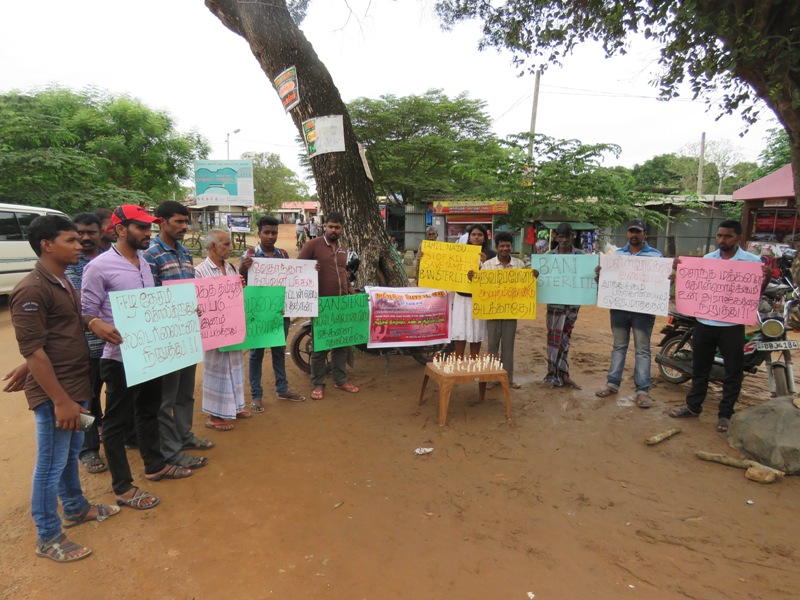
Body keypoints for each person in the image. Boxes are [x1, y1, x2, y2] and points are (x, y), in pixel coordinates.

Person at [9, 214, 120, 562]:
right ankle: (48, 536)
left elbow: (51, 336)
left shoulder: (62, 282)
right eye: (70, 240)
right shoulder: (31, 289)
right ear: (46, 245)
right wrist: (59, 401)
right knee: (51, 462)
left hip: (76, 385)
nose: (80, 244)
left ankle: (75, 507)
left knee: (71, 451)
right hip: (56, 396)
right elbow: (34, 348)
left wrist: (93, 322)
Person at [82, 205, 193, 511]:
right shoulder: (99, 267)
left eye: (150, 227)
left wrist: (184, 311)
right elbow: (85, 310)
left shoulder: (144, 262)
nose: (148, 233)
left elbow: (153, 305)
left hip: (149, 353)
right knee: (116, 423)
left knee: (148, 411)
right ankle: (122, 488)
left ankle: (155, 466)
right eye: (142, 228)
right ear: (120, 229)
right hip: (118, 357)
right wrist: (95, 324)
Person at [668, 220, 772, 432]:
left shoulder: (752, 262)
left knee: (733, 372)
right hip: (705, 323)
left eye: (727, 236)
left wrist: (765, 280)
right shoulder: (708, 259)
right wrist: (681, 272)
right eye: (719, 236)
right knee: (700, 368)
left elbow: (753, 295)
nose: (722, 240)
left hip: (732, 325)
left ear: (738, 238)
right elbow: (698, 288)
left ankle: (725, 414)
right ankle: (693, 406)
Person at [144, 201, 215, 469]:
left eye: (186, 222)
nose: (184, 227)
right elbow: (148, 298)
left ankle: (185, 435)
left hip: (187, 333)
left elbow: (190, 290)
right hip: (165, 336)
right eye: (178, 222)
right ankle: (170, 451)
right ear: (161, 222)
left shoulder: (185, 253)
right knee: (165, 399)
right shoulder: (150, 255)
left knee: (185, 392)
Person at [594, 219, 665, 408]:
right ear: (627, 234)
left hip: (643, 312)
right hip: (619, 309)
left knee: (642, 350)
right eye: (631, 232)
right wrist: (600, 277)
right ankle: (612, 384)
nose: (634, 235)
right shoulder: (616, 256)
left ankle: (642, 391)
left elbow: (662, 284)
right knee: (619, 346)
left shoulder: (656, 257)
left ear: (645, 235)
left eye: (638, 232)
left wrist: (669, 280)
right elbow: (606, 283)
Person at [240, 216, 306, 411]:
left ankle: (282, 389)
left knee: (279, 350)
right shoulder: (249, 255)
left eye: (274, 232)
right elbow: (238, 282)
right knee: (256, 354)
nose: (270, 236)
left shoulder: (283, 255)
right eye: (266, 232)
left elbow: (292, 279)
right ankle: (256, 396)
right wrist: (243, 269)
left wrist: (311, 271)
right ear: (258, 233)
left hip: (279, 312)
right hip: (258, 314)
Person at [298, 212, 360, 400]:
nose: (334, 230)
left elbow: (342, 272)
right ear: (325, 226)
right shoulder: (312, 245)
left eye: (337, 227)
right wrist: (310, 269)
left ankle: (340, 380)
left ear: (342, 229)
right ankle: (317, 384)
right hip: (321, 304)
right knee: (320, 346)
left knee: (341, 344)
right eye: (331, 226)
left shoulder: (343, 247)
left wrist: (351, 291)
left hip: (341, 304)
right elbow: (297, 269)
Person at [63, 213, 107, 474]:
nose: (86, 237)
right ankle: (88, 448)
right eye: (80, 232)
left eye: (92, 232)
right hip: (82, 348)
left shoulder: (112, 258)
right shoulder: (67, 263)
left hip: (113, 345)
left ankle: (124, 435)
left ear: (101, 232)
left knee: (117, 395)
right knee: (86, 401)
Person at [196, 230, 248, 430]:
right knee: (216, 369)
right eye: (225, 245)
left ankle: (235, 407)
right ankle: (214, 415)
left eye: (229, 244)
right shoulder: (200, 271)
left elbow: (235, 295)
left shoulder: (231, 267)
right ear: (213, 247)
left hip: (231, 328)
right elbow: (200, 299)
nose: (230, 248)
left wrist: (239, 287)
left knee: (235, 366)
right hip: (214, 330)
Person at [482, 231, 525, 389]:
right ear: (497, 247)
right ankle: (493, 378)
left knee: (508, 345)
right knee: (492, 344)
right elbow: (482, 287)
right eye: (502, 246)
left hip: (511, 311)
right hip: (492, 311)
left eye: (508, 245)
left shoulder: (520, 265)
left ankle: (508, 379)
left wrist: (532, 276)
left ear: (511, 246)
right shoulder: (487, 265)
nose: (505, 248)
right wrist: (474, 278)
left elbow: (525, 287)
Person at [543, 222, 583, 389]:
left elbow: (587, 277)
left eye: (567, 236)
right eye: (561, 237)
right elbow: (542, 280)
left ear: (572, 236)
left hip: (572, 305)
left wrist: (595, 273)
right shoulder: (548, 257)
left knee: (565, 340)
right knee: (553, 340)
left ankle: (563, 374)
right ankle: (553, 375)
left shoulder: (581, 256)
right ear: (555, 237)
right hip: (554, 305)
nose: (564, 240)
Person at [456, 224, 496, 359]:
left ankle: (474, 359)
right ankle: (458, 360)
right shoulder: (461, 252)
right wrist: (423, 256)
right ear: (469, 237)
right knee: (460, 330)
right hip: (462, 296)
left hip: (479, 298)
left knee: (476, 330)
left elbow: (497, 276)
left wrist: (486, 263)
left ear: (485, 238)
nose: (476, 237)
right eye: (473, 235)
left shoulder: (491, 255)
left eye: (480, 235)